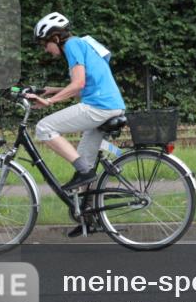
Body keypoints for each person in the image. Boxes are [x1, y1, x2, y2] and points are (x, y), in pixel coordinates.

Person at [27, 12, 126, 200]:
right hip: (109, 105)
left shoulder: (72, 45)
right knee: (84, 160)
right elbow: (81, 88)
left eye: (44, 44)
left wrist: (49, 102)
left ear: (56, 38)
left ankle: (84, 174)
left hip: (99, 106)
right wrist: (51, 91)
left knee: (44, 127)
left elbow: (78, 84)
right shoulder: (81, 44)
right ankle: (89, 216)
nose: (45, 49)